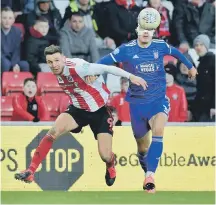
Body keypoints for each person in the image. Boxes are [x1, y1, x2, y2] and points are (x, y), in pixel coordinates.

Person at [14, 45, 147, 187]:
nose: (54, 65)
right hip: (77, 110)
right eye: (50, 62)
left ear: (64, 58)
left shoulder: (78, 66)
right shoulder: (57, 71)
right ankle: (31, 170)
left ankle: (110, 164)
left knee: (105, 155)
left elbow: (107, 68)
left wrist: (131, 76)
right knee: (53, 132)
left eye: (57, 60)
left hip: (100, 111)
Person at [97, 8, 197, 193]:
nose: (145, 32)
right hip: (137, 105)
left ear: (153, 31)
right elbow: (105, 60)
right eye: (142, 28)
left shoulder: (160, 46)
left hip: (158, 100)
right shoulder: (126, 50)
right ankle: (147, 170)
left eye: (149, 29)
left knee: (158, 129)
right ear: (137, 30)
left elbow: (176, 52)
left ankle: (150, 175)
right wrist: (93, 71)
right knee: (143, 149)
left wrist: (190, 67)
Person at [192, 34, 215, 122]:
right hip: (201, 107)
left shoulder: (213, 61)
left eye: (201, 45)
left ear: (206, 46)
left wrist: (214, 106)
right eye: (196, 45)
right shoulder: (201, 63)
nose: (198, 47)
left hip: (210, 109)